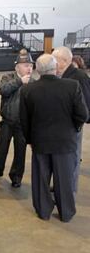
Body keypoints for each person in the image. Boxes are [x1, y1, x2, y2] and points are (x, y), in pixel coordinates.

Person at [20, 54, 88, 222]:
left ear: (37, 69)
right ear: (55, 67)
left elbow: (24, 119)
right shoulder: (72, 86)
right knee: (64, 179)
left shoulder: (28, 89)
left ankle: (43, 211)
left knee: (41, 179)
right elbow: (83, 114)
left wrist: (29, 140)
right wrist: (73, 129)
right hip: (65, 142)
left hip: (40, 141)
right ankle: (66, 213)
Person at [0, 49, 34, 188]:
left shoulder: (34, 82)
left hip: (23, 124)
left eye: (31, 65)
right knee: (0, 148)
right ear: (17, 66)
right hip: (7, 120)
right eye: (26, 65)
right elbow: (3, 90)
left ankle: (16, 176)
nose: (29, 68)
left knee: (20, 151)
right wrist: (19, 81)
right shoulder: (8, 77)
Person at [52, 46, 90, 193]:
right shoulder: (63, 76)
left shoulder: (79, 77)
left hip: (72, 128)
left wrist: (75, 125)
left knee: (72, 161)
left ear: (65, 60)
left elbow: (85, 107)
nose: (53, 63)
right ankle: (60, 186)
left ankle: (69, 191)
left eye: (55, 60)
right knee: (61, 161)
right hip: (62, 127)